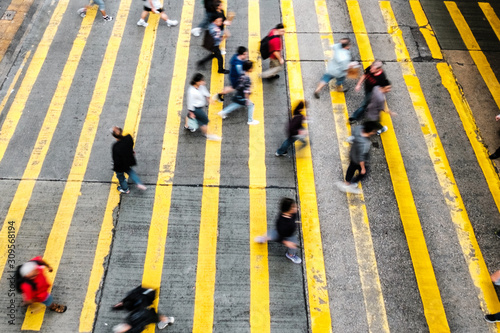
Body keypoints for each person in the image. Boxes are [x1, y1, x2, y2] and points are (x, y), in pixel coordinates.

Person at [335, 121, 379, 194]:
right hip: (359, 160)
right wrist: (363, 168)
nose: (374, 132)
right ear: (370, 131)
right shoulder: (365, 144)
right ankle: (352, 183)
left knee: (351, 168)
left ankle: (347, 182)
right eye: (373, 131)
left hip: (353, 154)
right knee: (364, 173)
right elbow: (361, 158)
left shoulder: (358, 129)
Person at [254, 198, 302, 264]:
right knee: (292, 245)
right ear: (287, 210)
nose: (296, 207)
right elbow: (280, 237)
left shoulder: (292, 213)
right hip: (285, 235)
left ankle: (264, 238)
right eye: (293, 207)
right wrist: (286, 242)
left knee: (272, 234)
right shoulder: (282, 223)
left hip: (288, 232)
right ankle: (290, 255)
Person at [217, 61, 259, 125]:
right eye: (252, 67)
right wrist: (247, 99)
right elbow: (246, 91)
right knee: (251, 105)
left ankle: (223, 112)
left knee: (236, 104)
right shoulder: (247, 78)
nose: (252, 68)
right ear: (249, 69)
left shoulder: (241, 73)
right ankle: (250, 120)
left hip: (239, 93)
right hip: (243, 96)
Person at [184, 73, 221, 141]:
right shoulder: (191, 91)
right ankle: (209, 135)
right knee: (204, 122)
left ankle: (187, 125)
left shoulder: (201, 86)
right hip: (196, 109)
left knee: (189, 115)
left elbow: (205, 93)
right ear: (196, 81)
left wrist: (209, 99)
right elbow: (190, 102)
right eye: (201, 81)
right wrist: (191, 112)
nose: (203, 82)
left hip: (198, 107)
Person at [111, 127, 147, 194]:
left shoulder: (115, 146)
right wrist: (132, 152)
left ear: (114, 136)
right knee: (130, 172)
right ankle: (139, 183)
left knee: (120, 177)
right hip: (128, 161)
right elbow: (131, 145)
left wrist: (115, 167)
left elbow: (116, 159)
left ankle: (125, 189)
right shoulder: (128, 137)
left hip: (120, 166)